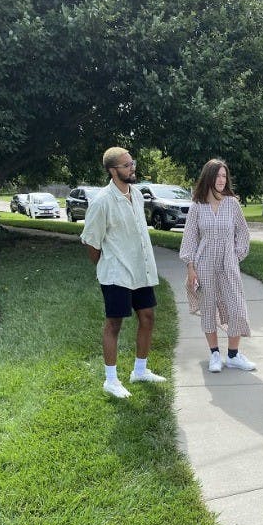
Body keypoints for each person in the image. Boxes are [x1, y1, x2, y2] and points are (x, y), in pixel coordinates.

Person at [80, 146, 166, 398]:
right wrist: (106, 267)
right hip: (116, 272)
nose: (132, 168)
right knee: (114, 323)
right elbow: (92, 243)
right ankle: (110, 380)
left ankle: (140, 370)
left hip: (140, 269)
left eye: (132, 163)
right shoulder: (101, 202)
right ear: (112, 170)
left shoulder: (137, 194)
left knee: (148, 317)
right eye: (126, 165)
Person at [180, 158, 255, 373]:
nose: (222, 180)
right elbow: (190, 239)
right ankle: (214, 354)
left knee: (237, 308)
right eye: (218, 176)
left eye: (224, 176)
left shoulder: (232, 204)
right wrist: (190, 267)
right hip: (203, 266)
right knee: (208, 309)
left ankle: (233, 355)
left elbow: (243, 233)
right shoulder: (197, 207)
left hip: (228, 265)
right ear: (209, 178)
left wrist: (235, 255)